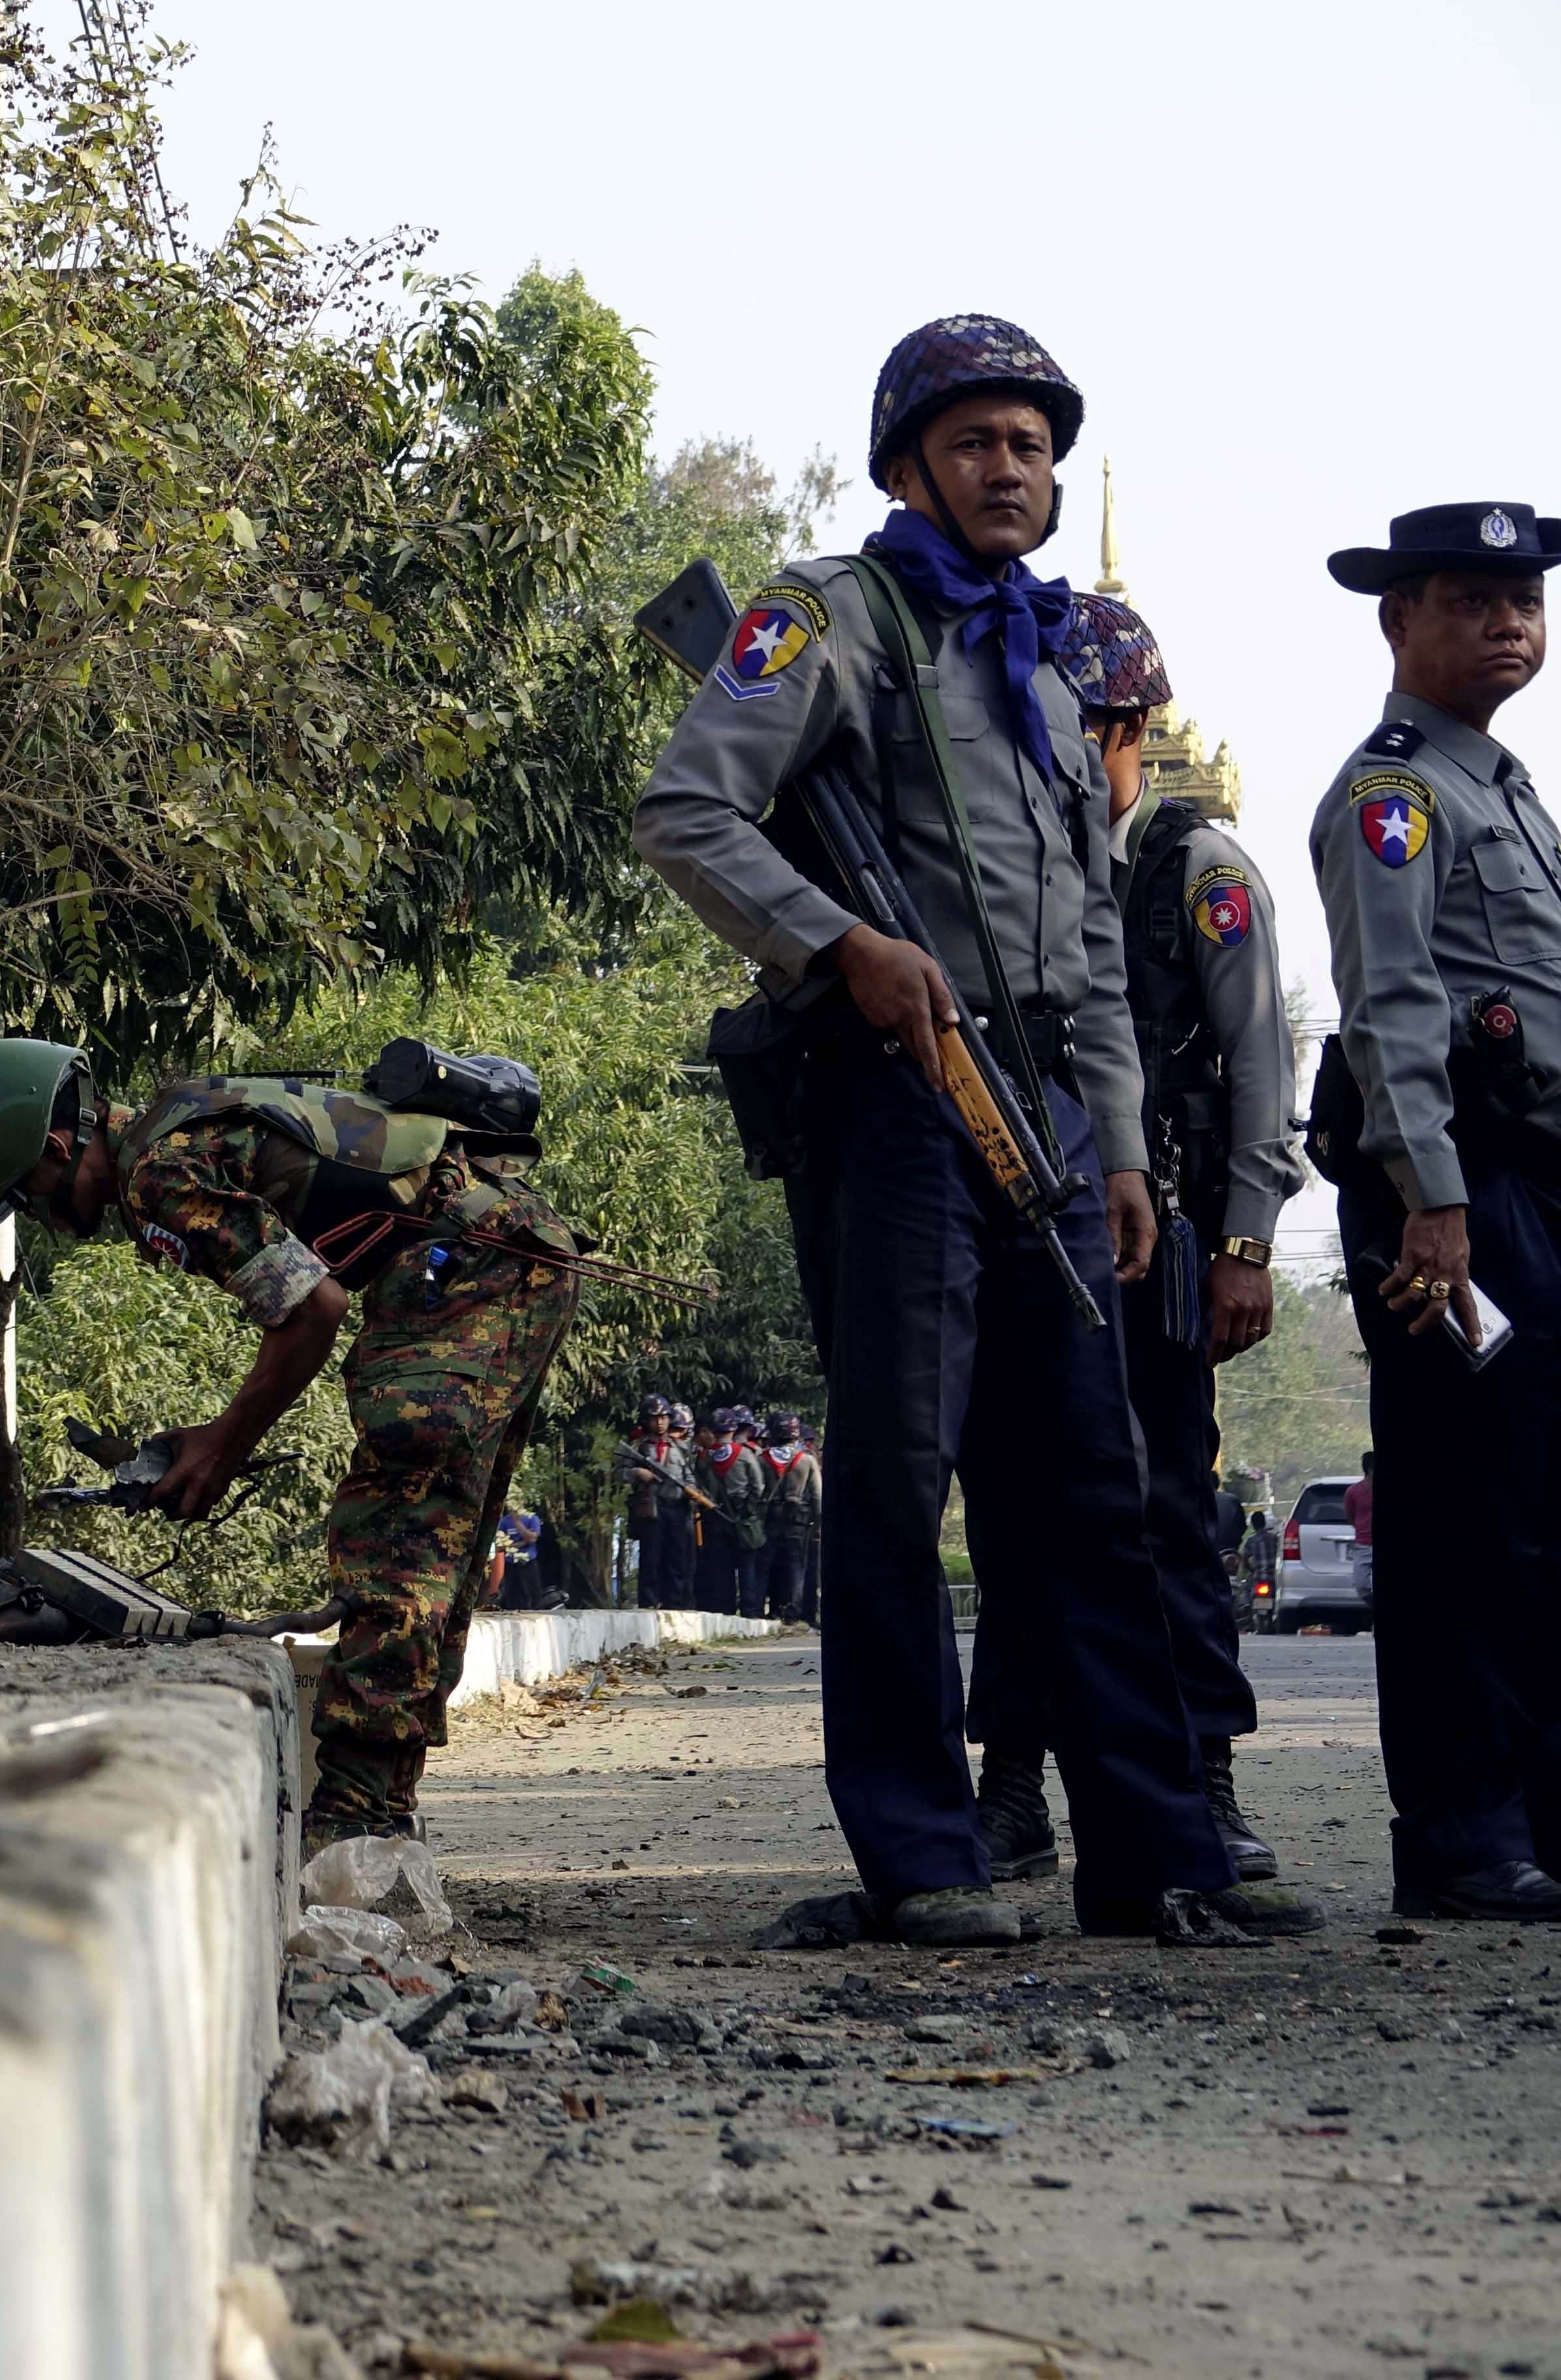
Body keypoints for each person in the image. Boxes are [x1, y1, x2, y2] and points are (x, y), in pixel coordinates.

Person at [631, 313, 1301, 1945]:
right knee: (891, 1476)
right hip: (897, 1090)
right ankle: (922, 1856)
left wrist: (1127, 1155)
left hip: (1049, 1122)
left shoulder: (1055, 663)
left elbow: (1079, 946)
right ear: (906, 464)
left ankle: (1154, 1858)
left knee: (1091, 1484)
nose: (1010, 467)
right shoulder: (828, 619)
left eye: (1030, 443)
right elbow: (684, 808)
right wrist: (834, 944)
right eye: (977, 440)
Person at [0, 1041, 579, 1842]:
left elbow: (315, 1310)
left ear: (57, 1150)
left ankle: (351, 1823)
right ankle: (380, 1812)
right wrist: (212, 1438)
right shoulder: (176, 1125)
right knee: (438, 1543)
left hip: (468, 1267)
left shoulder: (156, 1175)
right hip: (502, 1256)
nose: (45, 1217)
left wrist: (223, 1446)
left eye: (27, 1198)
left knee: (398, 1531)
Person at [969, 590, 1301, 1886]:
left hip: (1161, 1244)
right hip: (1033, 1229)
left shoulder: (1197, 871)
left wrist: (1249, 1244)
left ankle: (1202, 1781)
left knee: (1164, 1514)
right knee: (1012, 1511)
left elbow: (1263, 1067)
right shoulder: (1025, 873)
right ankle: (1011, 1788)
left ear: (1123, 730)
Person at [1308, 502, 1561, 1921]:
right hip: (1452, 1201)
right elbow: (1393, 1014)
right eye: (1469, 599)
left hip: (1534, 1186)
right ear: (1399, 622)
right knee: (1467, 1511)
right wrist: (1434, 1205)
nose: (1508, 623)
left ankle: (1540, 1816)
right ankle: (1465, 1835)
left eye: (1522, 598)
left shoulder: (1509, 789)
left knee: (1545, 1512)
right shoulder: (1392, 795)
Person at [698, 1405, 769, 1617]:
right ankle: (750, 1612)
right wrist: (750, 1508)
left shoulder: (705, 1458)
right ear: (734, 1428)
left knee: (723, 1568)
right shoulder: (746, 1455)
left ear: (713, 1430)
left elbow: (699, 1485)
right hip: (744, 1516)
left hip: (715, 1517)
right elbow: (758, 1486)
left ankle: (726, 1610)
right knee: (747, 1566)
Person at [624, 1396, 693, 1611]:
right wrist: (638, 1473)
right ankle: (649, 1602)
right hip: (650, 1507)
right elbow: (620, 1473)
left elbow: (689, 1474)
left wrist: (694, 1493)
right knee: (651, 1557)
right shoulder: (638, 1447)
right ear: (647, 1420)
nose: (660, 1422)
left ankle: (675, 1603)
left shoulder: (681, 1448)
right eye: (655, 1418)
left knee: (676, 1558)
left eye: (664, 1417)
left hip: (677, 1507)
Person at [758, 1410, 823, 1625]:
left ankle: (766, 1608)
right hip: (798, 1520)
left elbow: (757, 1491)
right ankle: (793, 1612)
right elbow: (817, 1495)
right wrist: (818, 1524)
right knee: (796, 1566)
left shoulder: (763, 1458)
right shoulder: (806, 1459)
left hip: (770, 1519)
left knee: (768, 1564)